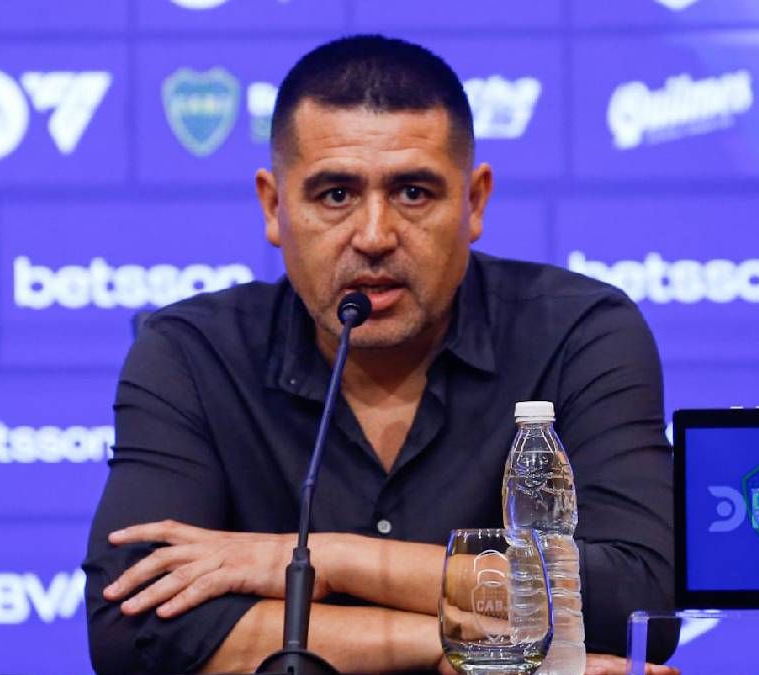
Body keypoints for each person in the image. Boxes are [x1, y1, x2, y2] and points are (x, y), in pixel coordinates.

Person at [83, 34, 678, 675]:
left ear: (474, 201)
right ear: (274, 207)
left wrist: (322, 559)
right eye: (335, 195)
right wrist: (463, 644)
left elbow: (636, 599)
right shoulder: (193, 354)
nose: (373, 236)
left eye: (413, 192)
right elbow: (133, 631)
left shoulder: (577, 333)